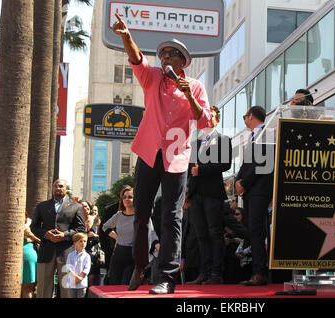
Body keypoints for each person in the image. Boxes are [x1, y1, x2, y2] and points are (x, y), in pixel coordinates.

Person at [111, 13, 213, 294]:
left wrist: (188, 94)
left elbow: (204, 121)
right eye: (163, 54)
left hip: (177, 158)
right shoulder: (152, 77)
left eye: (171, 54)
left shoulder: (195, 86)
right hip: (149, 152)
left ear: (182, 61)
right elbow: (136, 59)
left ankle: (166, 278)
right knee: (141, 214)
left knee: (171, 217)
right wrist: (125, 35)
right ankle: (140, 265)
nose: (165, 57)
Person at [187, 106, 232, 285]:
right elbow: (189, 170)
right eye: (204, 115)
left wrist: (202, 170)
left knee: (215, 233)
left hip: (213, 193)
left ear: (217, 120)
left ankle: (216, 273)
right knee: (201, 235)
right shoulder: (194, 143)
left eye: (210, 115)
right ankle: (203, 272)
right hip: (195, 194)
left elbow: (225, 164)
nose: (207, 117)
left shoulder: (223, 139)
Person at [235, 106, 274, 286]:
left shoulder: (267, 133)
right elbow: (246, 164)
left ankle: (260, 272)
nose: (244, 120)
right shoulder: (251, 138)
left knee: (258, 231)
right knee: (253, 231)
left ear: (250, 116)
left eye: (245, 116)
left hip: (260, 189)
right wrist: (238, 180)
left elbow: (261, 163)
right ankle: (255, 273)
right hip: (250, 190)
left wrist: (244, 182)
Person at [31, 179, 86, 298]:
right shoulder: (42, 206)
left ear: (66, 189)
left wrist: (64, 235)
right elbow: (34, 227)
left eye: (61, 186)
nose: (58, 188)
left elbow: (81, 228)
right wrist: (46, 234)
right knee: (43, 289)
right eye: (55, 186)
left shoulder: (76, 206)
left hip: (67, 253)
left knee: (67, 289)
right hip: (46, 251)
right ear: (52, 189)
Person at [102, 186, 135, 286]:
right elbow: (105, 227)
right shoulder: (118, 215)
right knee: (114, 284)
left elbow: (149, 233)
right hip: (118, 253)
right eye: (124, 197)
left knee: (126, 284)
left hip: (133, 255)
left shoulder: (139, 216)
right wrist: (116, 237)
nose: (126, 199)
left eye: (130, 197)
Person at [80, 200, 102, 288]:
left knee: (92, 276)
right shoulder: (78, 220)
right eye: (83, 207)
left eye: (87, 206)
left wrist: (96, 236)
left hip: (92, 251)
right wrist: (86, 235)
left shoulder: (96, 220)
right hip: (80, 250)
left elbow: (102, 235)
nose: (86, 208)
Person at [65, 233, 91, 298]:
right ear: (75, 243)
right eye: (80, 241)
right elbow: (68, 268)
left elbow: (86, 269)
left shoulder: (87, 256)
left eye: (85, 241)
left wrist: (80, 279)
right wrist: (75, 278)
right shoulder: (70, 255)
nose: (83, 243)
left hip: (82, 284)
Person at [22, 211, 41, 298]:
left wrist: (32, 236)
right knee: (27, 288)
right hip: (27, 256)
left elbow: (41, 241)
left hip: (29, 257)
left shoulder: (31, 226)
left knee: (27, 287)